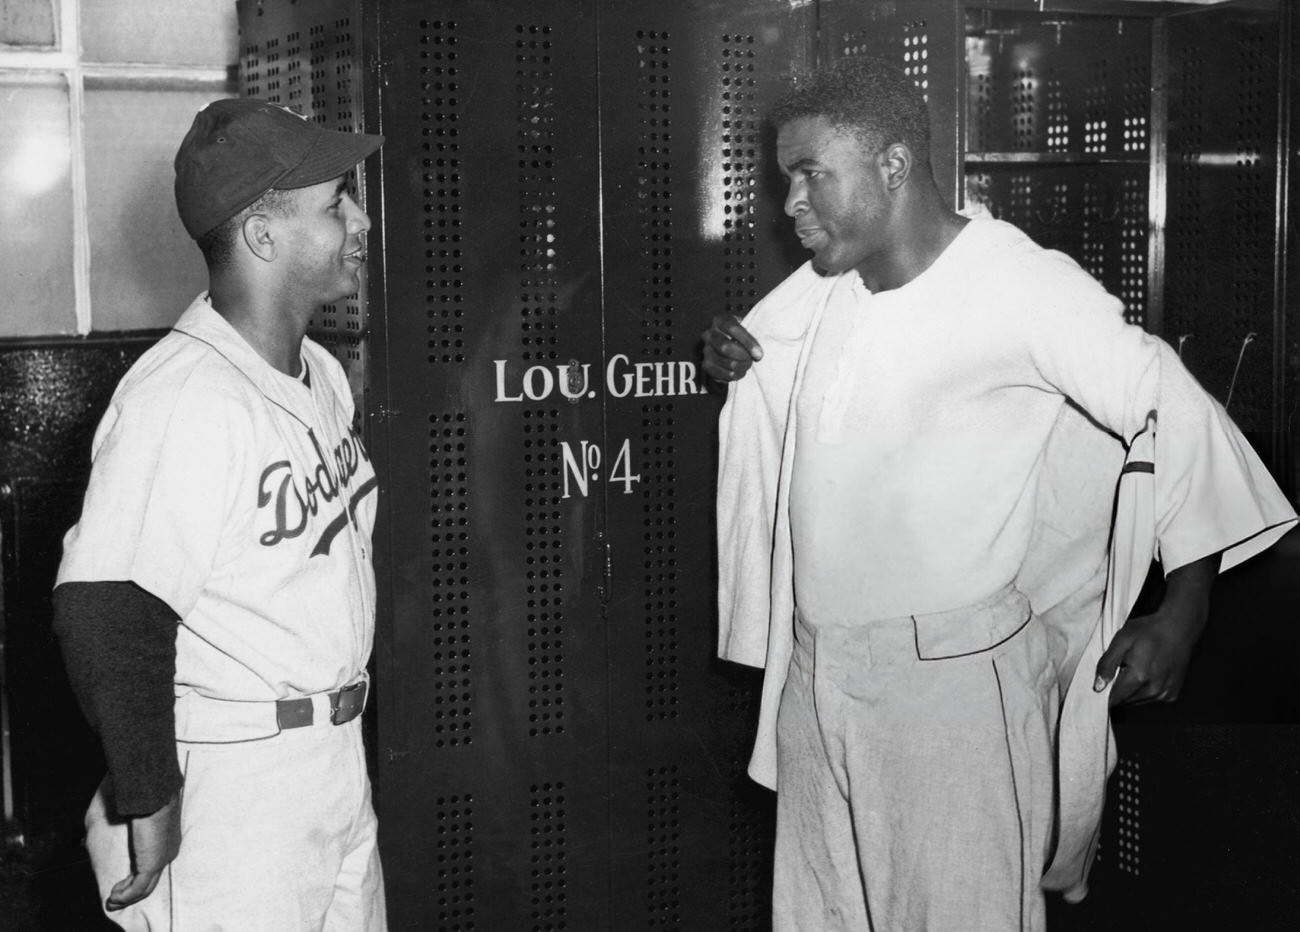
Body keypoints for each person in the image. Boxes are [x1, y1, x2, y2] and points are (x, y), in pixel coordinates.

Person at [703, 58, 1296, 932]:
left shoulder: (1018, 285)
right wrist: (738, 357)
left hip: (948, 691)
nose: (789, 202)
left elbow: (1169, 407)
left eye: (810, 174)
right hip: (819, 679)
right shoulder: (832, 284)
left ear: (894, 165)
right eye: (787, 176)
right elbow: (774, 362)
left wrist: (1186, 609)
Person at [53, 98, 387, 930]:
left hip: (332, 757)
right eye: (336, 200)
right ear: (263, 236)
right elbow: (105, 605)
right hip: (236, 782)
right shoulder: (184, 398)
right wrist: (150, 790)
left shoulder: (320, 373)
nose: (362, 219)